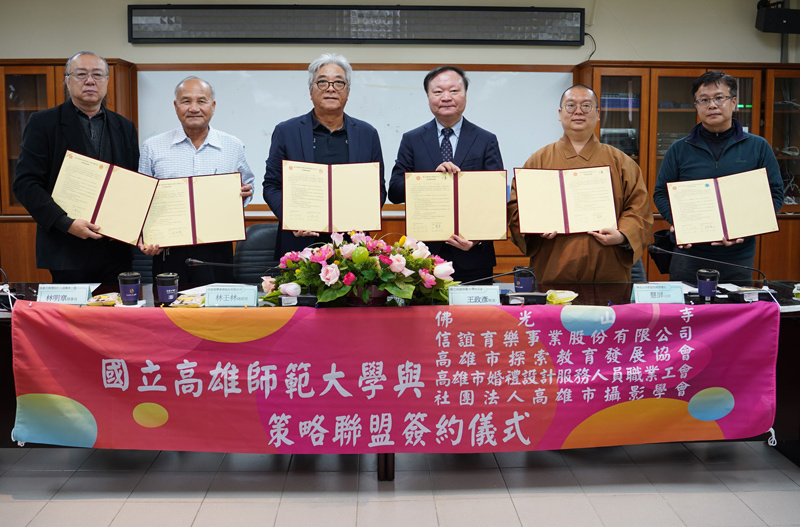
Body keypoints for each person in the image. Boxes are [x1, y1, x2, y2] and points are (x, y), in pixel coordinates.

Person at [12, 51, 140, 284]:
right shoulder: (44, 123)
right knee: (73, 309)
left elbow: (132, 183)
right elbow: (25, 184)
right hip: (67, 249)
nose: (90, 81)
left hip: (116, 251)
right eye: (81, 74)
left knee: (116, 308)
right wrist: (66, 224)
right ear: (67, 80)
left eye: (97, 75)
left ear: (107, 81)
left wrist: (125, 225)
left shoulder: (125, 127)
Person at [507, 84, 652, 283]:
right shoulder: (538, 160)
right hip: (553, 265)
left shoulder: (621, 162)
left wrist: (621, 235)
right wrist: (536, 227)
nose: (578, 111)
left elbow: (639, 209)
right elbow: (517, 208)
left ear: (598, 114)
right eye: (571, 105)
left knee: (609, 304)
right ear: (560, 113)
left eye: (586, 106)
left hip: (608, 266)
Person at [653, 71, 783, 283]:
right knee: (688, 305)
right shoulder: (678, 149)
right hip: (689, 254)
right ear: (696, 106)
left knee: (735, 304)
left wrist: (746, 228)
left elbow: (775, 194)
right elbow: (661, 193)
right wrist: (679, 222)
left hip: (738, 256)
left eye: (719, 98)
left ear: (734, 102)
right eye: (704, 100)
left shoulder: (758, 146)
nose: (712, 105)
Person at [388, 66, 503, 284]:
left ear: (465, 95)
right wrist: (430, 180)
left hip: (473, 256)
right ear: (428, 97)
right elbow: (394, 191)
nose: (446, 97)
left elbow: (495, 197)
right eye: (438, 92)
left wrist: (477, 239)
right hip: (424, 258)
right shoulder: (412, 140)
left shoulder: (485, 140)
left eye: (454, 91)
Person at [263, 53, 385, 255]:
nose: (330, 88)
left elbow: (378, 188)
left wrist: (364, 217)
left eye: (339, 83)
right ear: (310, 91)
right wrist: (291, 219)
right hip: (300, 243)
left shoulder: (367, 134)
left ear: (348, 91)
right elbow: (272, 186)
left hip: (352, 247)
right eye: (322, 82)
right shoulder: (286, 131)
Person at [138, 76, 255, 283]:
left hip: (218, 247)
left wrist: (245, 193)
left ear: (213, 106)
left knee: (216, 302)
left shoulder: (233, 145)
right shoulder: (153, 147)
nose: (194, 108)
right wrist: (145, 236)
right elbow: (141, 198)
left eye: (201, 101)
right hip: (168, 249)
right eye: (186, 101)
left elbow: (247, 186)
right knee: (168, 302)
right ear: (176, 106)